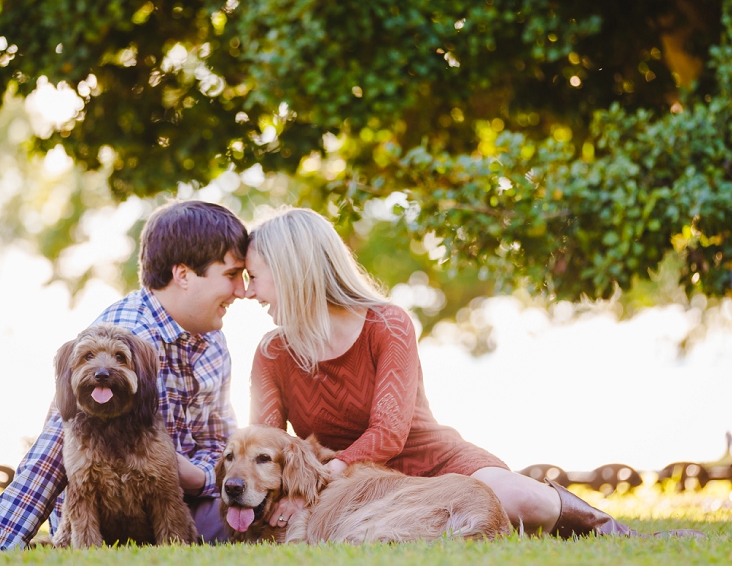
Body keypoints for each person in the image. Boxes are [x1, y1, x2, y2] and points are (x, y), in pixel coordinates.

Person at [245, 207, 705, 539]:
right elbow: (266, 444)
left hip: (429, 459)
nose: (249, 293)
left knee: (518, 499)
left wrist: (323, 475)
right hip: (352, 487)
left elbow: (388, 433)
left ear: (292, 272)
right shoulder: (271, 353)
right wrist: (292, 489)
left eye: (255, 277)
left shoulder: (387, 324)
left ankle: (620, 534)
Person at [0, 200, 248, 550]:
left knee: (240, 524)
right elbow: (54, 450)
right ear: (183, 275)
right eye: (231, 275)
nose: (242, 290)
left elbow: (219, 443)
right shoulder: (124, 336)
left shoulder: (213, 341)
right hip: (100, 508)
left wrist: (199, 477)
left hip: (171, 499)